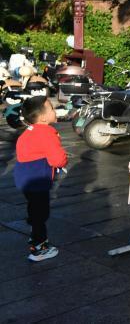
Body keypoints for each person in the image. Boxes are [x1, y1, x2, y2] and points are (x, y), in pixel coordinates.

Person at [14, 96, 67, 262]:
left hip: (25, 180)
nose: (55, 111)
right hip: (38, 180)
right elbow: (57, 160)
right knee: (41, 214)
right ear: (43, 117)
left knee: (34, 208)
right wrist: (63, 159)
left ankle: (34, 230)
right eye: (52, 108)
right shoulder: (46, 132)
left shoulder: (29, 131)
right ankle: (39, 248)